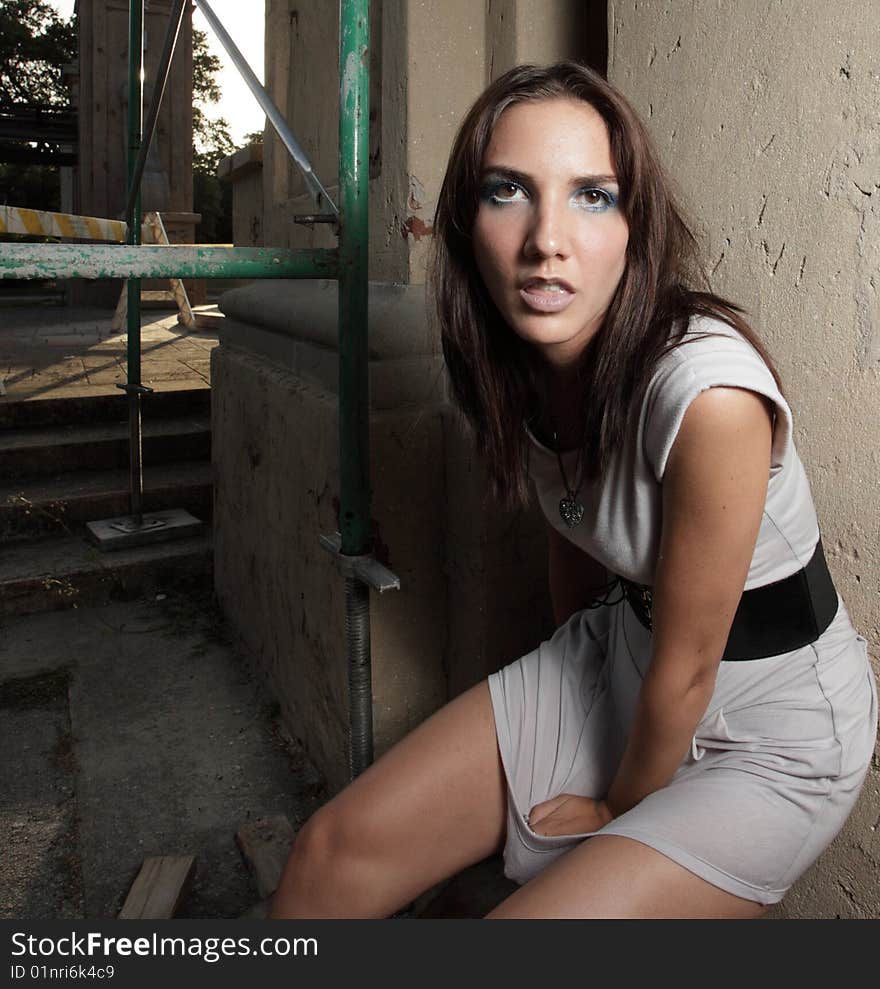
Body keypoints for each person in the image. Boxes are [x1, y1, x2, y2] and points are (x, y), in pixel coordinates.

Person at [270, 61, 878, 919]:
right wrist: (565, 691)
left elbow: (692, 662)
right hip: (625, 654)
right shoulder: (514, 360)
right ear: (464, 221)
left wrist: (615, 807)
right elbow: (575, 528)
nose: (545, 238)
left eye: (593, 195)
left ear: (636, 223)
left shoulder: (710, 399)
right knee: (327, 857)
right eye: (509, 191)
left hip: (770, 726)